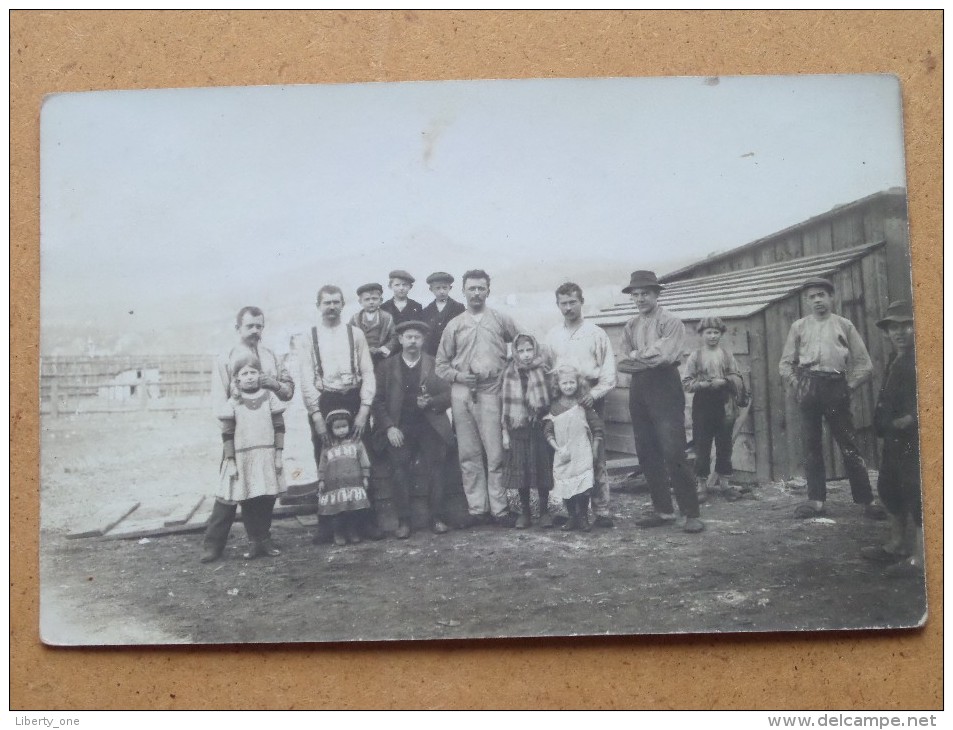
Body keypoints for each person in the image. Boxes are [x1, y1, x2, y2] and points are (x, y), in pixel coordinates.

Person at [779, 277, 885, 520]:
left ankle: (866, 501)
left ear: (831, 297)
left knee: (849, 445)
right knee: (811, 446)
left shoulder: (844, 325)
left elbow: (865, 364)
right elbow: (785, 363)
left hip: (836, 386)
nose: (817, 300)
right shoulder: (799, 327)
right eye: (812, 296)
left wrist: (848, 386)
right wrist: (798, 383)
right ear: (807, 301)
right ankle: (816, 501)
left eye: (822, 295)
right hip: (808, 387)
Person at [202, 306, 295, 563]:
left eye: (259, 326)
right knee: (230, 488)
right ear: (238, 328)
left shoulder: (271, 356)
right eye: (249, 326)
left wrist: (273, 383)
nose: (255, 331)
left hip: (264, 433)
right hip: (238, 434)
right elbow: (218, 400)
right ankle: (213, 544)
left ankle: (260, 539)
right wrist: (228, 435)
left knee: (264, 488)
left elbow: (288, 391)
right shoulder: (225, 357)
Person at [617, 270, 704, 534]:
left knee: (673, 450)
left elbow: (665, 357)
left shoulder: (671, 322)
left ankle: (691, 512)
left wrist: (638, 356)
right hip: (639, 388)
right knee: (647, 449)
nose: (640, 299)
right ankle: (663, 510)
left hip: (665, 385)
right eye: (636, 294)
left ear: (656, 294)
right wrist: (644, 357)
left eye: (645, 293)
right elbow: (622, 361)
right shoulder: (630, 326)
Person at [435, 269, 520, 527]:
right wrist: (459, 376)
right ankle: (477, 509)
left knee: (495, 455)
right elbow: (440, 364)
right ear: (463, 291)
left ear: (488, 291)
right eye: (471, 288)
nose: (476, 293)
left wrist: (509, 371)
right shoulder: (455, 324)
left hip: (492, 391)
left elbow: (524, 343)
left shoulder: (500, 319)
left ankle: (500, 509)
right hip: (462, 394)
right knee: (469, 455)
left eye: (481, 288)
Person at [543, 282, 617, 527]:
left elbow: (608, 372)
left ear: (581, 302)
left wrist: (594, 394)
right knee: (566, 456)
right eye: (563, 303)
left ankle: (601, 510)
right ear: (557, 305)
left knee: (595, 453)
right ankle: (571, 511)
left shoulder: (596, 333)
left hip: (589, 398)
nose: (568, 307)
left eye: (572, 302)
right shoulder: (553, 335)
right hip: (563, 401)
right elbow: (546, 369)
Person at [372, 320, 454, 538]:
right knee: (399, 468)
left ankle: (437, 518)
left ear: (423, 340)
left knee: (436, 466)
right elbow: (377, 401)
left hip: (429, 425)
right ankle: (404, 521)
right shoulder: (386, 367)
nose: (412, 342)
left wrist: (432, 401)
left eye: (417, 338)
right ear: (400, 340)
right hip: (400, 426)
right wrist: (389, 427)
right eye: (408, 337)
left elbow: (449, 395)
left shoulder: (434, 364)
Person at [860, 301, 923, 576]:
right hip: (894, 437)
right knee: (889, 487)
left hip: (915, 438)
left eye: (906, 325)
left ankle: (922, 560)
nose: (900, 332)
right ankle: (897, 545)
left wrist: (911, 418)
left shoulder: (925, 357)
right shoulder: (895, 358)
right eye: (893, 327)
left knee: (917, 493)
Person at [682, 316, 745, 502]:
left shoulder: (727, 355)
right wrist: (705, 384)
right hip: (703, 403)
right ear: (701, 334)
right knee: (702, 445)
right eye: (708, 332)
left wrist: (725, 381)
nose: (712, 336)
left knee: (724, 445)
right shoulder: (696, 356)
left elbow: (737, 376)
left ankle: (725, 484)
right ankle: (701, 485)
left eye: (716, 332)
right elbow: (687, 383)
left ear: (721, 334)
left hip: (725, 402)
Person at [501, 333, 554, 529]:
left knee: (541, 468)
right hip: (518, 427)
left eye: (529, 350)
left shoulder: (542, 370)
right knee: (521, 470)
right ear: (515, 352)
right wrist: (505, 431)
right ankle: (525, 512)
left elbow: (550, 396)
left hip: (538, 426)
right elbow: (504, 406)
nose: (525, 355)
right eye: (521, 351)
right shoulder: (509, 372)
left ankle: (544, 511)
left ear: (535, 349)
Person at [543, 364, 604, 532]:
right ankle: (572, 517)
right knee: (567, 485)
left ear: (578, 383)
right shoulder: (555, 406)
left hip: (582, 452)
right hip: (564, 453)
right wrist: (557, 448)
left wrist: (595, 446)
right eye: (564, 383)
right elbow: (548, 430)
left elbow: (596, 425)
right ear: (558, 385)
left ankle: (583, 517)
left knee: (583, 487)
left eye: (572, 382)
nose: (568, 386)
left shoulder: (583, 403)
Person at [316, 409, 372, 547]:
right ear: (331, 429)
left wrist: (365, 477)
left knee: (353, 510)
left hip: (353, 483)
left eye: (344, 426)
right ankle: (338, 533)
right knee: (337, 511)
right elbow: (322, 464)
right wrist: (322, 480)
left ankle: (352, 531)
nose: (341, 430)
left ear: (349, 426)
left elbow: (364, 460)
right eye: (337, 427)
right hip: (335, 485)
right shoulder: (328, 446)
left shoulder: (356, 442)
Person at [348, 283, 398, 365]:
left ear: (381, 300)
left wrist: (382, 349)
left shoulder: (387, 318)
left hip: (381, 358)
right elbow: (349, 337)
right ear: (360, 302)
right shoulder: (355, 319)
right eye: (367, 299)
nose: (371, 302)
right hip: (361, 357)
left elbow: (394, 337)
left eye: (374, 299)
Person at [421, 271, 466, 357]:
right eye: (438, 288)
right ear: (431, 289)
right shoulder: (427, 311)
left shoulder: (459, 308)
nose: (442, 291)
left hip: (454, 353)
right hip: (432, 354)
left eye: (445, 288)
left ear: (450, 288)